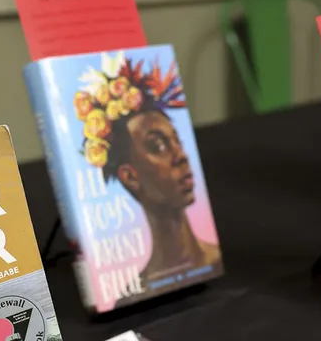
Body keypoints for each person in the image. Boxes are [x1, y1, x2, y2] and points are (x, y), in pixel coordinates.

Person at [75, 57, 221, 289]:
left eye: (177, 141)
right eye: (158, 146)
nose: (181, 156)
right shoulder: (133, 292)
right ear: (130, 177)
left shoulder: (215, 261)